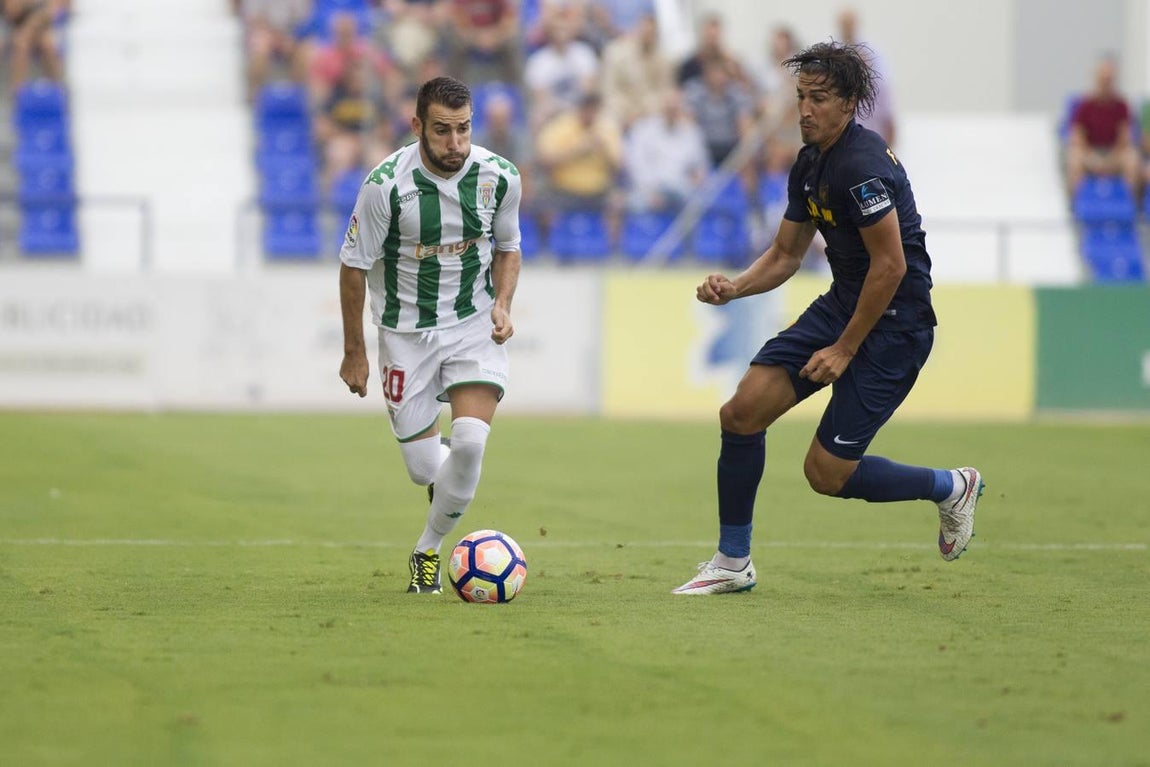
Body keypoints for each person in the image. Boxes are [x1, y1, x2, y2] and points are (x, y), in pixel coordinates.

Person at [673, 41, 984, 596]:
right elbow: (787, 255)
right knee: (742, 412)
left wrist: (844, 348)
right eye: (800, 96)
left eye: (819, 98)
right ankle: (732, 561)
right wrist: (736, 287)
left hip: (895, 325)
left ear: (849, 104)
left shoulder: (862, 168)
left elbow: (889, 267)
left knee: (826, 475)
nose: (805, 109)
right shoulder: (811, 160)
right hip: (847, 303)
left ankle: (950, 486)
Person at [339, 76, 523, 594]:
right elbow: (353, 268)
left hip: (473, 325)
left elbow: (509, 247)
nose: (455, 144)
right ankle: (443, 482)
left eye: (463, 130)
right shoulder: (384, 186)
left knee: (469, 441)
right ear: (417, 125)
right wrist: (355, 353)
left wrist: (504, 305)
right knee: (425, 472)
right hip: (404, 334)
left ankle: (427, 548)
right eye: (442, 131)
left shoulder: (500, 177)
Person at [1066, 55, 1140, 196]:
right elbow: (1078, 136)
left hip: (1114, 153)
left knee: (1132, 159)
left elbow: (1124, 137)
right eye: (1103, 79)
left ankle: (1132, 206)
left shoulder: (1121, 105)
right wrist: (1092, 157)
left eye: (1109, 79)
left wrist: (1111, 158)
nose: (1106, 83)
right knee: (1074, 158)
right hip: (1090, 153)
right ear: (1096, 78)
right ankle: (1076, 204)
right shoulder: (1085, 105)